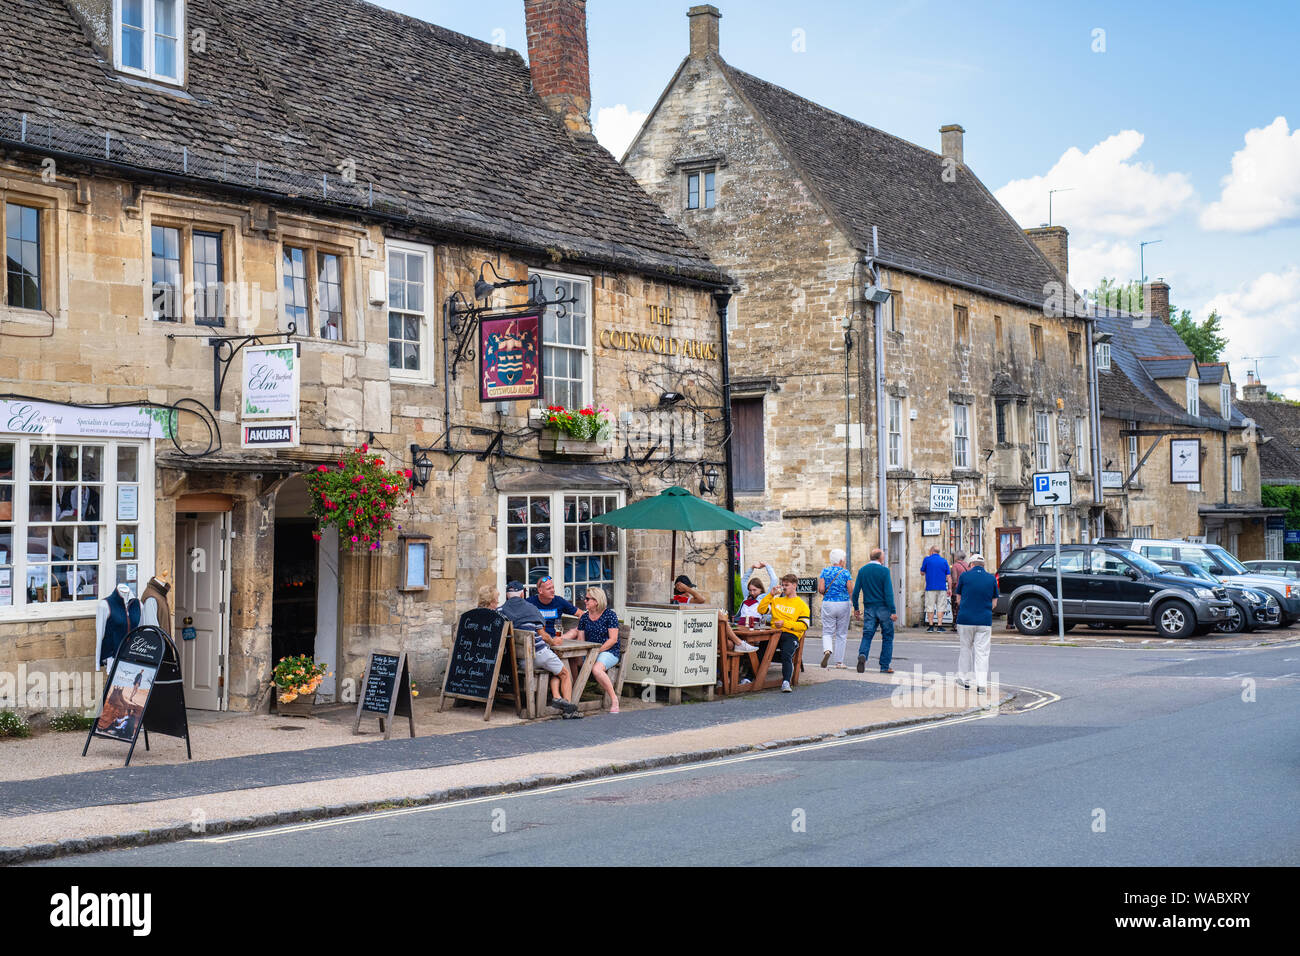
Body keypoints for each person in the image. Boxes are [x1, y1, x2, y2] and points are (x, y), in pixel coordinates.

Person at [499, 580, 577, 716]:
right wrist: (553, 642)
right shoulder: (531, 609)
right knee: (564, 673)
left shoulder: (499, 611)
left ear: (507, 595)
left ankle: (557, 697)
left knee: (554, 669)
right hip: (538, 654)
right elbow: (543, 635)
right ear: (522, 594)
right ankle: (568, 710)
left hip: (517, 661)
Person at [561, 586, 622, 714]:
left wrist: (596, 652)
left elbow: (613, 640)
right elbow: (582, 640)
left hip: (608, 651)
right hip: (589, 652)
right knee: (570, 660)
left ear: (596, 601)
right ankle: (575, 692)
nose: (585, 601)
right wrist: (582, 651)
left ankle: (614, 699)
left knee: (596, 669)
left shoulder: (610, 615)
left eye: (588, 599)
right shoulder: (584, 617)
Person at [673, 574, 759, 654]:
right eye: (689, 588)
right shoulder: (679, 599)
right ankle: (739, 643)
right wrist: (687, 589)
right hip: (694, 633)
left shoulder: (684, 601)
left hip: (698, 630)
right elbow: (701, 599)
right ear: (682, 589)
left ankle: (738, 644)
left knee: (730, 644)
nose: (690, 592)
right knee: (717, 613)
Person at [757, 573, 811, 693]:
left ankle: (786, 681)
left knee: (786, 654)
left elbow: (803, 626)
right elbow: (761, 610)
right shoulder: (777, 600)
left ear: (794, 586)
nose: (784, 587)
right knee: (759, 649)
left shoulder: (802, 605)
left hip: (790, 634)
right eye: (783, 585)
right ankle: (752, 678)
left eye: (786, 585)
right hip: (774, 633)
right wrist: (770, 594)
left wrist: (785, 623)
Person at [953, 553, 998, 694]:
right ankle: (981, 685)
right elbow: (995, 603)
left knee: (965, 649)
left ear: (971, 565)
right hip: (984, 620)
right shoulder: (991, 578)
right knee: (982, 653)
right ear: (983, 565)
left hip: (965, 619)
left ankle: (964, 680)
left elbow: (958, 599)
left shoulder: (964, 577)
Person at [851, 547, 897, 673]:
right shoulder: (884, 571)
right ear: (880, 558)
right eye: (883, 556)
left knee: (867, 634)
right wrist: (892, 610)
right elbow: (888, 593)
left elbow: (855, 593)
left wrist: (856, 608)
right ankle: (884, 666)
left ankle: (863, 655)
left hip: (869, 607)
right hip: (883, 608)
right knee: (887, 636)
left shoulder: (862, 571)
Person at [817, 548, 852, 668]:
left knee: (827, 631)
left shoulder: (825, 571)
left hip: (828, 603)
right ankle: (839, 662)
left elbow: (821, 589)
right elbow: (850, 590)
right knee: (841, 633)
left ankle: (827, 650)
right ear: (841, 560)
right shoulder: (845, 572)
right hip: (843, 604)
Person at [920, 545, 952, 632]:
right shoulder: (944, 561)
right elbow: (949, 577)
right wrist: (950, 588)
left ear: (931, 551)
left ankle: (930, 626)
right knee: (941, 606)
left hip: (930, 587)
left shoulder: (927, 560)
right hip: (942, 587)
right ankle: (940, 625)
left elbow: (922, 572)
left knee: (929, 606)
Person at [736, 562, 778, 627]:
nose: (752, 593)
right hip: (741, 626)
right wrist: (752, 567)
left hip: (756, 627)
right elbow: (743, 581)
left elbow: (774, 580)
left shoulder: (765, 597)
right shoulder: (747, 596)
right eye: (750, 590)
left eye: (754, 590)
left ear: (760, 589)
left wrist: (767, 565)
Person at [948, 550, 969, 629]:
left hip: (957, 590)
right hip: (966, 589)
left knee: (955, 608)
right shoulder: (967, 565)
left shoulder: (955, 566)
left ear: (956, 557)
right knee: (964, 607)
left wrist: (951, 588)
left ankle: (956, 625)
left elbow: (954, 579)